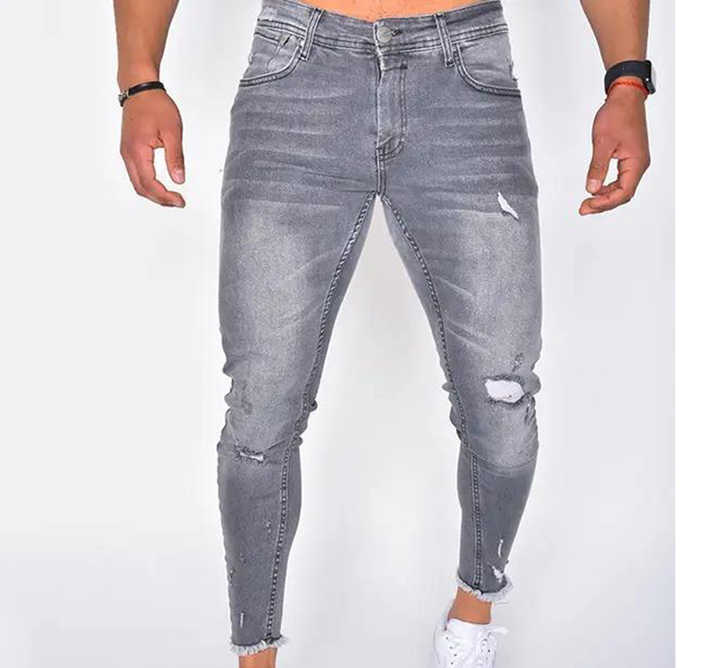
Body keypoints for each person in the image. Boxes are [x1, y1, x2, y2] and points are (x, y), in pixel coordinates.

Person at [113, 0, 653, 665]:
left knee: (503, 402)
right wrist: (140, 80)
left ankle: (473, 611)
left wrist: (627, 80)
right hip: (298, 76)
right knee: (261, 412)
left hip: (464, 81)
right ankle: (255, 656)